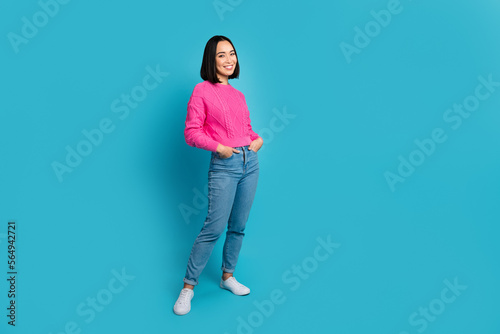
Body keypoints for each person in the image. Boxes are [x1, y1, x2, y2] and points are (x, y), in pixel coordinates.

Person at [173, 35, 263, 315]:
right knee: (213, 227)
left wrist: (258, 140)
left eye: (232, 54)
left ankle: (227, 277)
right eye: (221, 55)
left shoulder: (239, 95)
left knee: (238, 225)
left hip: (250, 163)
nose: (229, 60)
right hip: (225, 164)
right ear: (211, 60)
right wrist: (221, 148)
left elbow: (246, 130)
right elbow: (192, 132)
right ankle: (188, 288)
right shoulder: (202, 90)